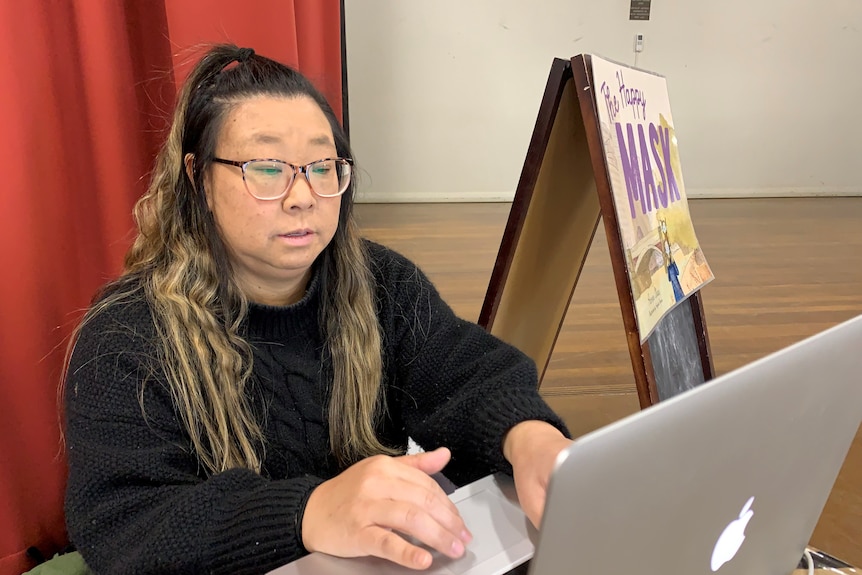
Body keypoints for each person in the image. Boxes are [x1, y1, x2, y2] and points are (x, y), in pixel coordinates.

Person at [63, 44, 571, 575]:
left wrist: (528, 435)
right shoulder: (126, 335)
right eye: (266, 168)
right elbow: (126, 524)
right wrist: (307, 512)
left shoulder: (380, 282)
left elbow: (466, 373)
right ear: (198, 179)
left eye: (322, 166)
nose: (303, 196)